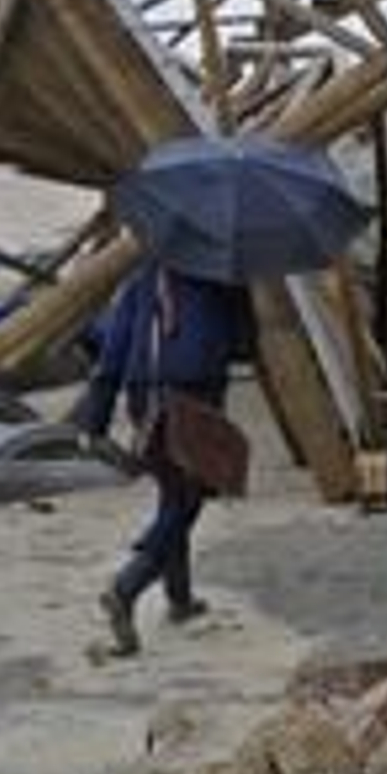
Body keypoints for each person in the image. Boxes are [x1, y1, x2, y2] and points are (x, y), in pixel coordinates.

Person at [75, 262, 255, 656]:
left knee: (173, 492)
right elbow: (242, 344)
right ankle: (127, 586)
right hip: (194, 397)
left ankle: (180, 598)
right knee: (186, 501)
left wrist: (94, 422)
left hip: (146, 400)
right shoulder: (216, 278)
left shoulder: (141, 279)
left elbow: (112, 353)